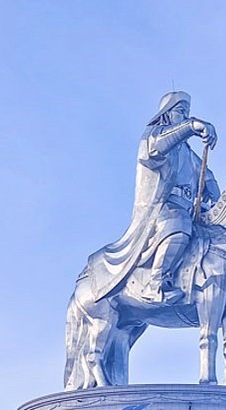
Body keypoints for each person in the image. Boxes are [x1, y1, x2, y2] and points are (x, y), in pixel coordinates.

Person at [88, 91, 219, 304]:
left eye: (188, 113)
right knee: (178, 225)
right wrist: (192, 126)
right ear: (167, 115)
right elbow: (158, 147)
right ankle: (156, 283)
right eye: (181, 111)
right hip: (162, 208)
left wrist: (215, 201)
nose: (185, 116)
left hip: (187, 208)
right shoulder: (153, 137)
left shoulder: (188, 154)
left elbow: (208, 178)